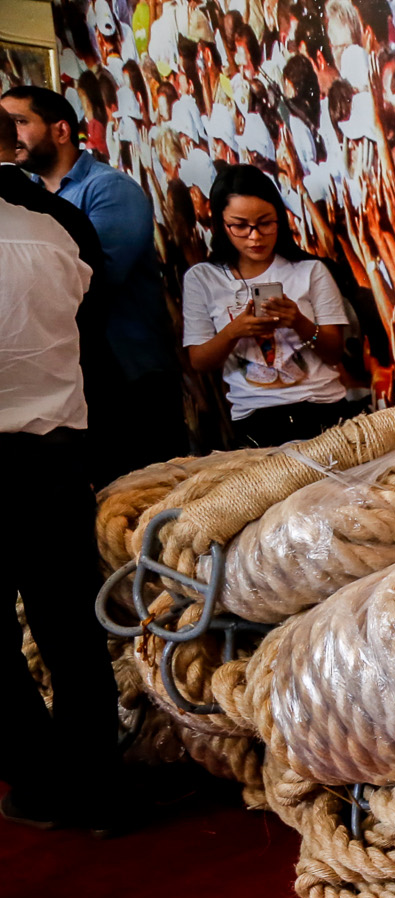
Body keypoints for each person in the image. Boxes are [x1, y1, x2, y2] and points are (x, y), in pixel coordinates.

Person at [0, 106, 126, 831]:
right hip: (52, 455)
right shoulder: (58, 229)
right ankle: (99, 789)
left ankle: (41, 780)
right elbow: (83, 317)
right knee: (72, 631)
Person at [2, 83, 181, 471]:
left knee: (148, 496)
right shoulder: (27, 197)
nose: (10, 133)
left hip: (132, 373)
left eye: (18, 121)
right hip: (80, 381)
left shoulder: (109, 189)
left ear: (61, 131)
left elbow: (92, 285)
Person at [180, 163, 355, 446]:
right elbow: (200, 361)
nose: (255, 236)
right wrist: (234, 331)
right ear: (221, 225)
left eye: (265, 223)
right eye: (240, 226)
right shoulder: (202, 278)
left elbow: (334, 352)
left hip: (322, 407)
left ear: (280, 219)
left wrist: (298, 321)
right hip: (255, 417)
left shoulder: (309, 270)